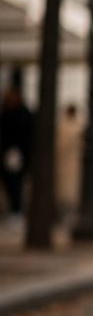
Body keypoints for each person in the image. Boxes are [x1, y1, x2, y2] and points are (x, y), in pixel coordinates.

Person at [0, 83, 34, 217]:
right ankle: (14, 209)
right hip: (7, 153)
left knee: (17, 183)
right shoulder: (6, 114)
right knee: (10, 183)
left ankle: (17, 209)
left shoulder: (23, 114)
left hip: (19, 153)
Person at [55, 104, 83, 222]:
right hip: (74, 164)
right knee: (73, 190)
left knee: (63, 191)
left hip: (64, 163)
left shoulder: (61, 126)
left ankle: (64, 215)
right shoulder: (79, 127)